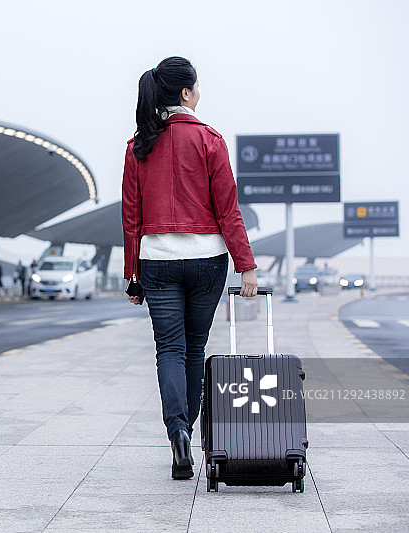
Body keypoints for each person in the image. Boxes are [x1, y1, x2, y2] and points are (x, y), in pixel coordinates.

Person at [121, 56, 258, 480]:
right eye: (196, 88)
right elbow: (228, 211)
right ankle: (188, 429)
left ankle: (177, 431)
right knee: (194, 349)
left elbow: (131, 216)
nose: (199, 94)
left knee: (170, 350)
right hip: (206, 260)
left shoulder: (138, 145)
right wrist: (246, 266)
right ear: (186, 93)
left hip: (157, 260)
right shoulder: (210, 140)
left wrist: (132, 273)